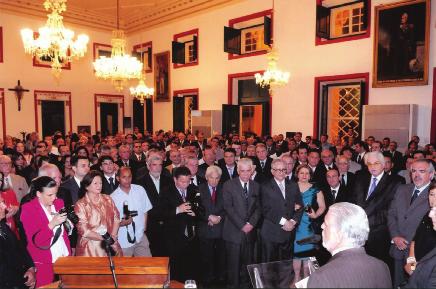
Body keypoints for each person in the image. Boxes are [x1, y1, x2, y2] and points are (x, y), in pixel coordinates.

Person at [307, 202, 392, 288]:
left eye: (326, 224)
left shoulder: (321, 277)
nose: (322, 226)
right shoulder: (382, 267)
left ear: (340, 233)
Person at [351, 151, 402, 267]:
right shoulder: (360, 178)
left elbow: (392, 210)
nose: (372, 167)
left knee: (378, 270)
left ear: (384, 165)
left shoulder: (395, 182)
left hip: (379, 234)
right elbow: (353, 201)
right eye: (369, 164)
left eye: (376, 163)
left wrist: (365, 219)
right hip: (358, 233)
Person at [388, 159, 433, 287]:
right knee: (397, 284)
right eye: (413, 171)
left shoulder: (433, 194)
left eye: (422, 171)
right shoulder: (402, 189)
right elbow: (391, 214)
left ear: (431, 174)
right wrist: (395, 236)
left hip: (420, 254)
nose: (416, 174)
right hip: (398, 248)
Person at [20, 176, 71, 288]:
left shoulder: (59, 203)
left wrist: (69, 224)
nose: (54, 198)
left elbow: (64, 233)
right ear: (38, 194)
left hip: (64, 256)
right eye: (50, 195)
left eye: (55, 193)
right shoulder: (28, 209)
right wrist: (52, 224)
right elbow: (36, 240)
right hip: (43, 260)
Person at [260, 159, 303, 287]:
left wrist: (293, 221)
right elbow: (265, 209)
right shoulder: (265, 186)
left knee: (286, 265)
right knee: (269, 267)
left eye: (284, 170)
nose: (281, 172)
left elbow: (300, 206)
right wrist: (284, 221)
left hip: (288, 233)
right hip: (271, 233)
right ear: (272, 171)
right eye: (278, 170)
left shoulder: (293, 185)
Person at [222, 158, 261, 288]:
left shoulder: (256, 186)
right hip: (233, 233)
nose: (245, 174)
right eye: (242, 171)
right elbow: (228, 208)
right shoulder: (228, 185)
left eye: (248, 171)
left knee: (247, 266)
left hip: (250, 232)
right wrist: (242, 225)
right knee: (233, 267)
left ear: (252, 171)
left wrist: (251, 224)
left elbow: (259, 208)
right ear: (238, 171)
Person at [160, 166, 199, 282]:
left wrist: (195, 213)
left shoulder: (194, 189)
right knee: (176, 268)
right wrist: (177, 210)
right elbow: (160, 213)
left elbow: (201, 208)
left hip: (191, 236)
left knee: (191, 267)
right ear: (175, 179)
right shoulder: (166, 191)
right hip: (174, 236)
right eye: (182, 181)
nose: (186, 184)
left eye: (188, 181)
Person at [74, 170, 122, 257]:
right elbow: (84, 231)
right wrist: (106, 238)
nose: (99, 185)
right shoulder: (81, 204)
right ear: (87, 186)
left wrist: (113, 236)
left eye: (100, 183)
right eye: (95, 183)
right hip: (90, 247)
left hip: (111, 242)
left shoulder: (108, 199)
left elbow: (116, 218)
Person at [293, 164, 326, 283]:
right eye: (302, 173)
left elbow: (322, 206)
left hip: (308, 225)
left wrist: (316, 214)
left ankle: (307, 280)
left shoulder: (315, 188)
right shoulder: (291, 186)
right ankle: (296, 278)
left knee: (307, 254)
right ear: (297, 174)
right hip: (294, 224)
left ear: (310, 175)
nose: (304, 175)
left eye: (307, 173)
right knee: (295, 253)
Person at [111, 166, 152, 257]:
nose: (127, 180)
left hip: (140, 235)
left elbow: (145, 209)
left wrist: (144, 227)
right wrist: (122, 223)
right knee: (124, 268)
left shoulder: (139, 189)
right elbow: (111, 222)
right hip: (123, 239)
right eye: (124, 177)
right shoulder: (113, 197)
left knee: (148, 265)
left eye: (129, 177)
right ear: (118, 178)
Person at [197, 165, 226, 286]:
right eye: (212, 178)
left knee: (221, 256)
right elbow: (197, 208)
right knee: (206, 257)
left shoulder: (225, 188)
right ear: (206, 177)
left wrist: (219, 218)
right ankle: (207, 280)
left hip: (221, 229)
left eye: (217, 178)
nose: (214, 181)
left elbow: (229, 207)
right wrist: (208, 217)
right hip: (205, 228)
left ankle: (220, 279)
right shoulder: (198, 189)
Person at [0, 194, 36, 289]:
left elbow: (20, 248)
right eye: (0, 204)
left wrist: (30, 268)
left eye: (3, 202)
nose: (4, 206)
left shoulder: (4, 226)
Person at [405, 187, 436, 288]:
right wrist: (411, 262)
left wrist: (415, 269)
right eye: (431, 194)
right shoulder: (427, 215)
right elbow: (415, 240)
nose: (434, 198)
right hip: (417, 266)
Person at [0, 171, 19, 238]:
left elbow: (17, 206)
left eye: (1, 180)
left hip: (13, 233)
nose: (0, 182)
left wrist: (15, 209)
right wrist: (4, 216)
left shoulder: (9, 192)